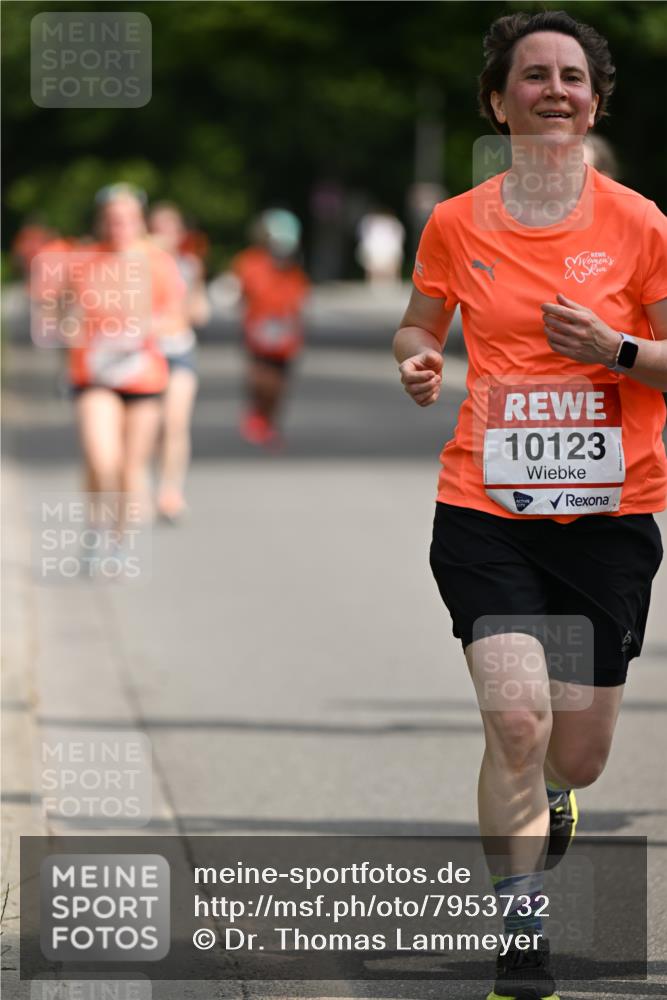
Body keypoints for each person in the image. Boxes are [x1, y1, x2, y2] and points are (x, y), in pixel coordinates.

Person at [393, 11, 666, 1000]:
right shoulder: (458, 222)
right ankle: (520, 930)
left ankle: (557, 792)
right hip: (485, 504)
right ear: (497, 101)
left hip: (608, 516)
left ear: (594, 100)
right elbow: (419, 322)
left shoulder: (640, 225)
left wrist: (618, 351)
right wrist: (418, 358)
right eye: (533, 76)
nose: (554, 90)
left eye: (572, 77)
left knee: (578, 753)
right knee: (513, 717)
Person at [32, 184, 187, 538]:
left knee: (130, 468)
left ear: (140, 222)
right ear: (102, 222)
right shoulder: (82, 260)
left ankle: (116, 539)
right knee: (103, 458)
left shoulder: (157, 263)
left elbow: (177, 319)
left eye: (128, 219)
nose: (120, 227)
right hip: (95, 376)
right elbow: (54, 309)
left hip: (142, 377)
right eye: (113, 220)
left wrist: (143, 327)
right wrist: (66, 325)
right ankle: (95, 523)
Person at [148, 201, 211, 522]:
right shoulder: (137, 264)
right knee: (151, 426)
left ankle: (170, 491)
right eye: (157, 227)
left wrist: (193, 306)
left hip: (179, 348)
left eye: (170, 228)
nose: (164, 234)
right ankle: (142, 484)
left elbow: (199, 310)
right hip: (146, 353)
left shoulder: (189, 265)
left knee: (175, 422)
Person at [231, 209, 309, 447]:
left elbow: (299, 301)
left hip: (285, 335)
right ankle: (257, 415)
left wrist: (296, 330)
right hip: (257, 330)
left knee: (279, 383)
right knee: (260, 377)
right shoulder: (250, 263)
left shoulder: (294, 271)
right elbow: (243, 293)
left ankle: (270, 421)